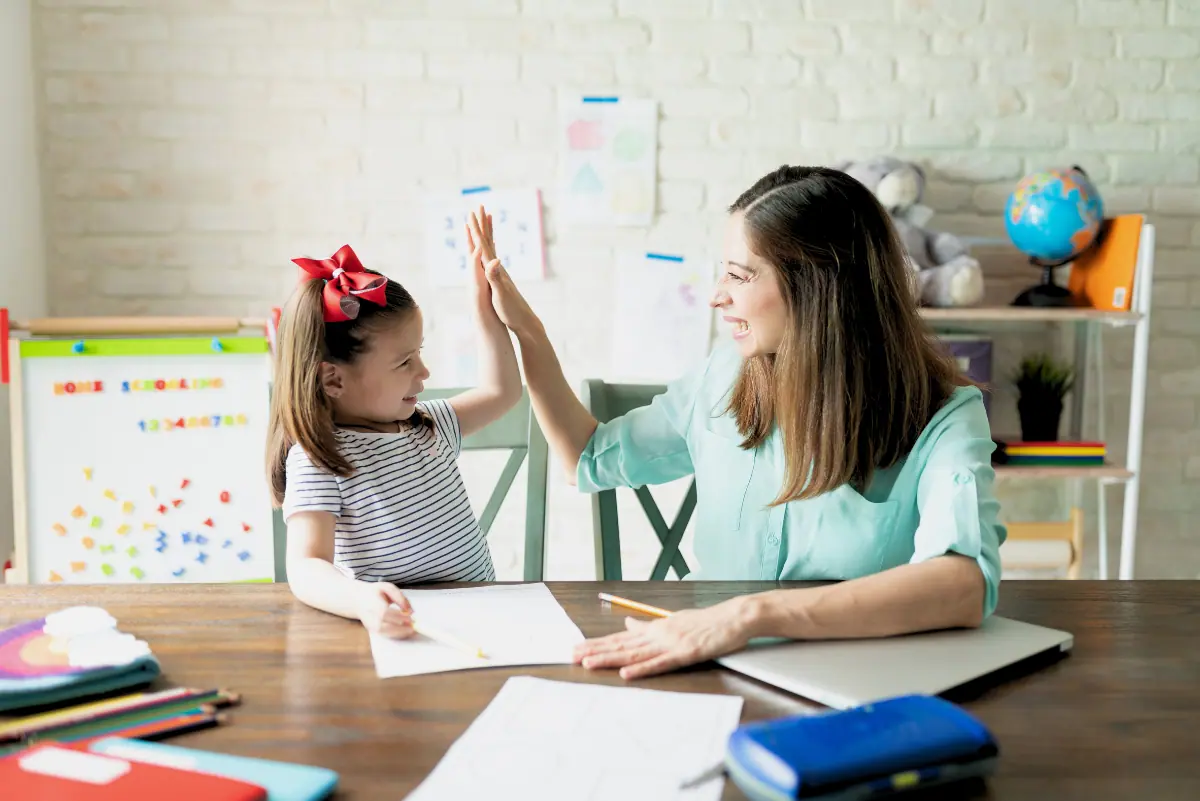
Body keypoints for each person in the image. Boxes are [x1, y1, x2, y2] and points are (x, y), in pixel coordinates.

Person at [478, 165, 1006, 680]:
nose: (716, 295)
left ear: (818, 284)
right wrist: (528, 332)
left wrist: (748, 616)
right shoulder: (721, 378)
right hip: (708, 664)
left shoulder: (944, 415)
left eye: (739, 274)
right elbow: (585, 459)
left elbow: (964, 582)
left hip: (858, 680)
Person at [266, 208, 521, 639]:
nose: (424, 373)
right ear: (333, 379)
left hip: (484, 614)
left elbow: (503, 392)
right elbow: (307, 568)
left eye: (418, 352)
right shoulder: (318, 459)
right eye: (405, 361)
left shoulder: (429, 426)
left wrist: (484, 301)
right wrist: (362, 601)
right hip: (410, 631)